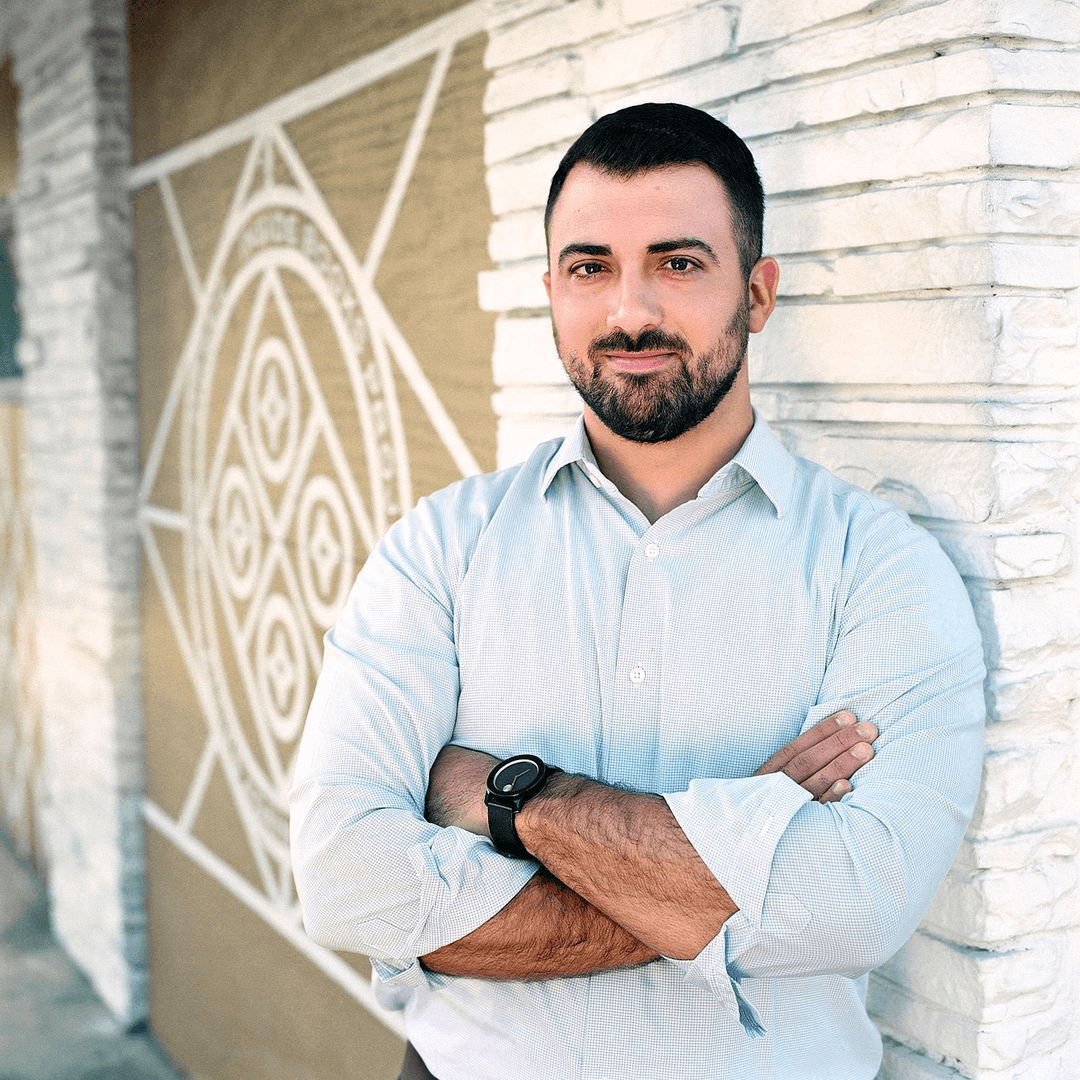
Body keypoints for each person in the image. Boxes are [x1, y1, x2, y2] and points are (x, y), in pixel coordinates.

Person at [289, 102, 985, 1080]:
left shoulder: (877, 569)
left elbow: (858, 904)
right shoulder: (441, 549)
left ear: (758, 290)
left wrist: (513, 800)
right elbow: (342, 882)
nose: (630, 311)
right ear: (550, 291)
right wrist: (737, 843)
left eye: (679, 263)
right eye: (590, 268)